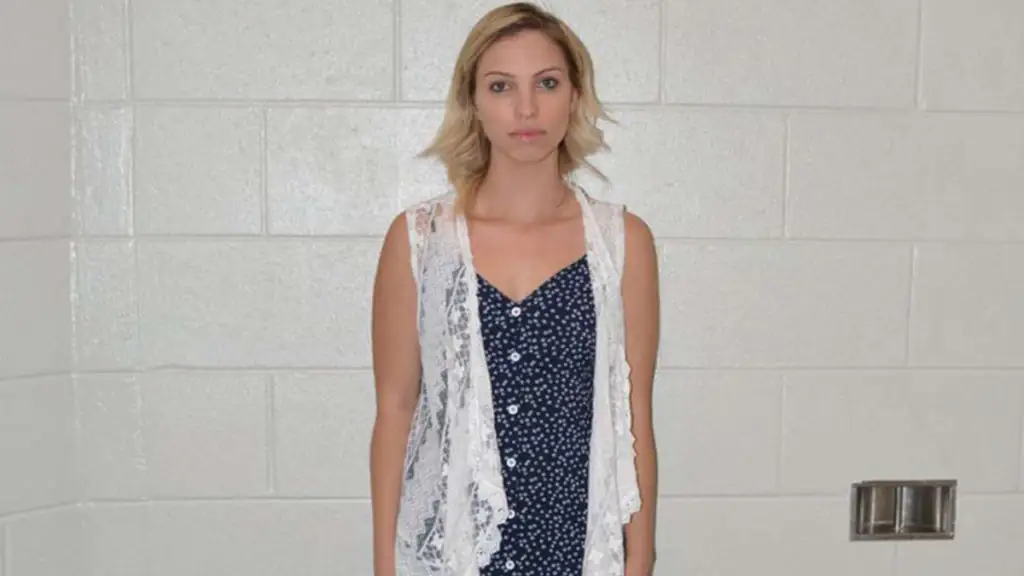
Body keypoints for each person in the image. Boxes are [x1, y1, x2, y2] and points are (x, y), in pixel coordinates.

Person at [369, 3, 660, 575]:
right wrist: (385, 564)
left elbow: (635, 417)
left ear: (574, 96)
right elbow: (395, 409)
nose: (526, 108)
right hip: (451, 554)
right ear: (473, 101)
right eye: (501, 86)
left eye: (546, 83)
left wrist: (640, 560)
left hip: (577, 548)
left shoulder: (622, 243)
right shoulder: (420, 241)